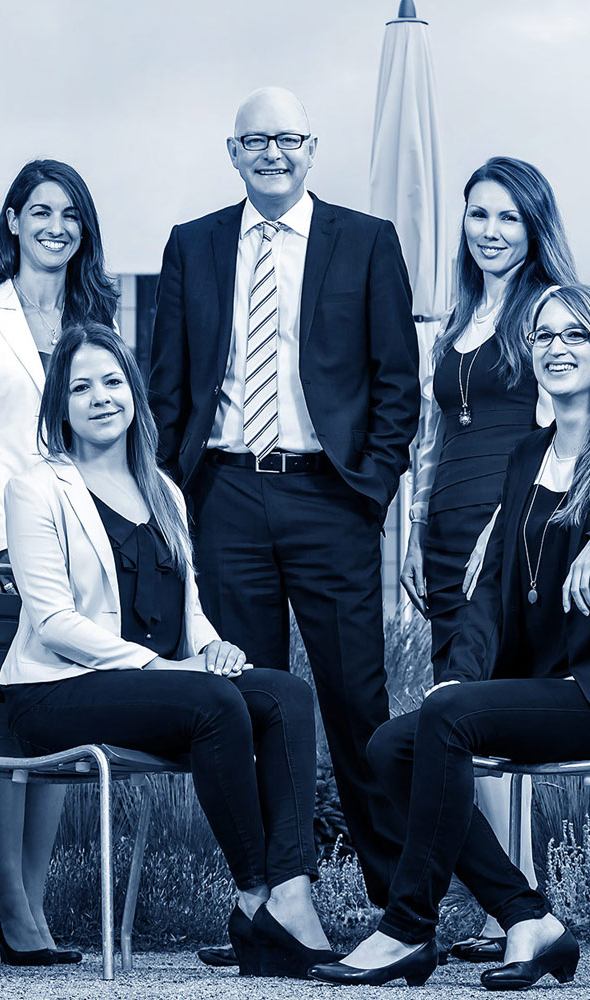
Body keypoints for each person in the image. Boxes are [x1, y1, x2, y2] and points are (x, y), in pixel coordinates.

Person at [308, 284, 590, 990]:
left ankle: (406, 928)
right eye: (544, 336)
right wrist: (461, 680)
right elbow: (489, 594)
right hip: (552, 693)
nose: (557, 348)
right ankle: (527, 916)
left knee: (442, 723)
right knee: (393, 743)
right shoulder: (525, 457)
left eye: (575, 335)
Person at [147, 86, 420, 931]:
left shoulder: (366, 242)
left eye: (289, 139)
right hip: (224, 495)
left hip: (331, 497)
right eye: (256, 140)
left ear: (312, 149)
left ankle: (396, 908)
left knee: (357, 704)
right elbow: (166, 386)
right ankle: (268, 901)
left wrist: (369, 492)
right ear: (232, 153)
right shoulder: (192, 244)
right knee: (246, 703)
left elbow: (398, 385)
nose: (273, 152)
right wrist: (177, 494)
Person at [0, 323, 334, 978]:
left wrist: (213, 649)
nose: (101, 397)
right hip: (53, 693)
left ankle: (292, 895)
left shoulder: (163, 490)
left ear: (134, 392)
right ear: (59, 405)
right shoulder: (35, 487)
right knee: (212, 702)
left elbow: (190, 613)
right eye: (80, 387)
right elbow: (54, 622)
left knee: (286, 693)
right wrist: (163, 667)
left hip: (158, 688)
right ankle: (254, 898)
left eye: (112, 381)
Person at [397, 156, 579, 962]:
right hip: (442, 532)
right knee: (461, 718)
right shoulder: (455, 319)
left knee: (483, 709)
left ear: (534, 227)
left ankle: (514, 911)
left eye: (509, 217)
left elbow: (557, 435)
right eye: (479, 214)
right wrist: (414, 530)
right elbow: (433, 438)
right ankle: (511, 905)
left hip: (501, 536)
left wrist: (501, 533)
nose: (492, 231)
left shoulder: (549, 310)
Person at [0, 159, 119, 965]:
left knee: (58, 719)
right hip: (3, 552)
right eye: (41, 211)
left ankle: (34, 909)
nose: (56, 226)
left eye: (71, 214)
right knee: (6, 723)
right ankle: (12, 910)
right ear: (12, 220)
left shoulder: (95, 318)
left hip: (79, 547)